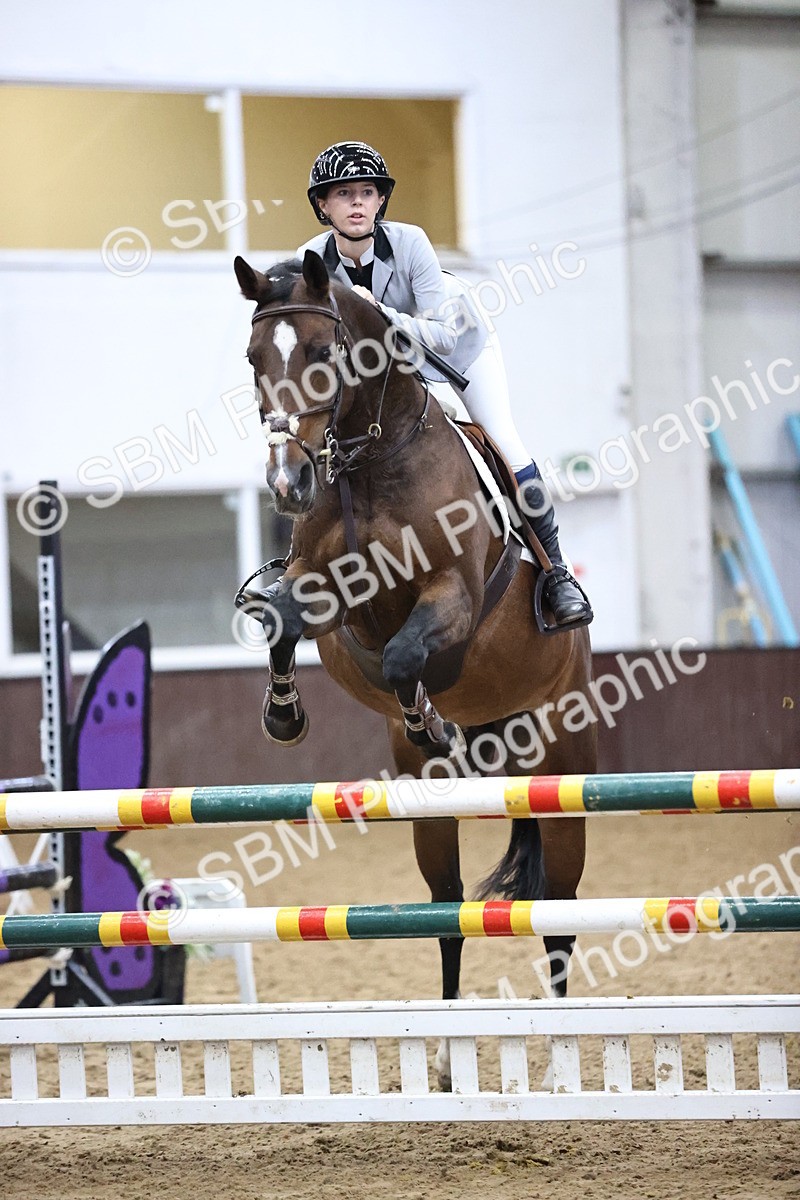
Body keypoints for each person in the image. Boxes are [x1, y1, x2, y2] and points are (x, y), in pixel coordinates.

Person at [291, 141, 592, 628]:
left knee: (505, 444)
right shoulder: (311, 259)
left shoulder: (410, 243)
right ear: (322, 206)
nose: (357, 204)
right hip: (385, 372)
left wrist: (376, 315)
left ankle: (557, 574)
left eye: (367, 192)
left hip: (459, 353)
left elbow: (444, 336)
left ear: (380, 201)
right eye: (343, 194)